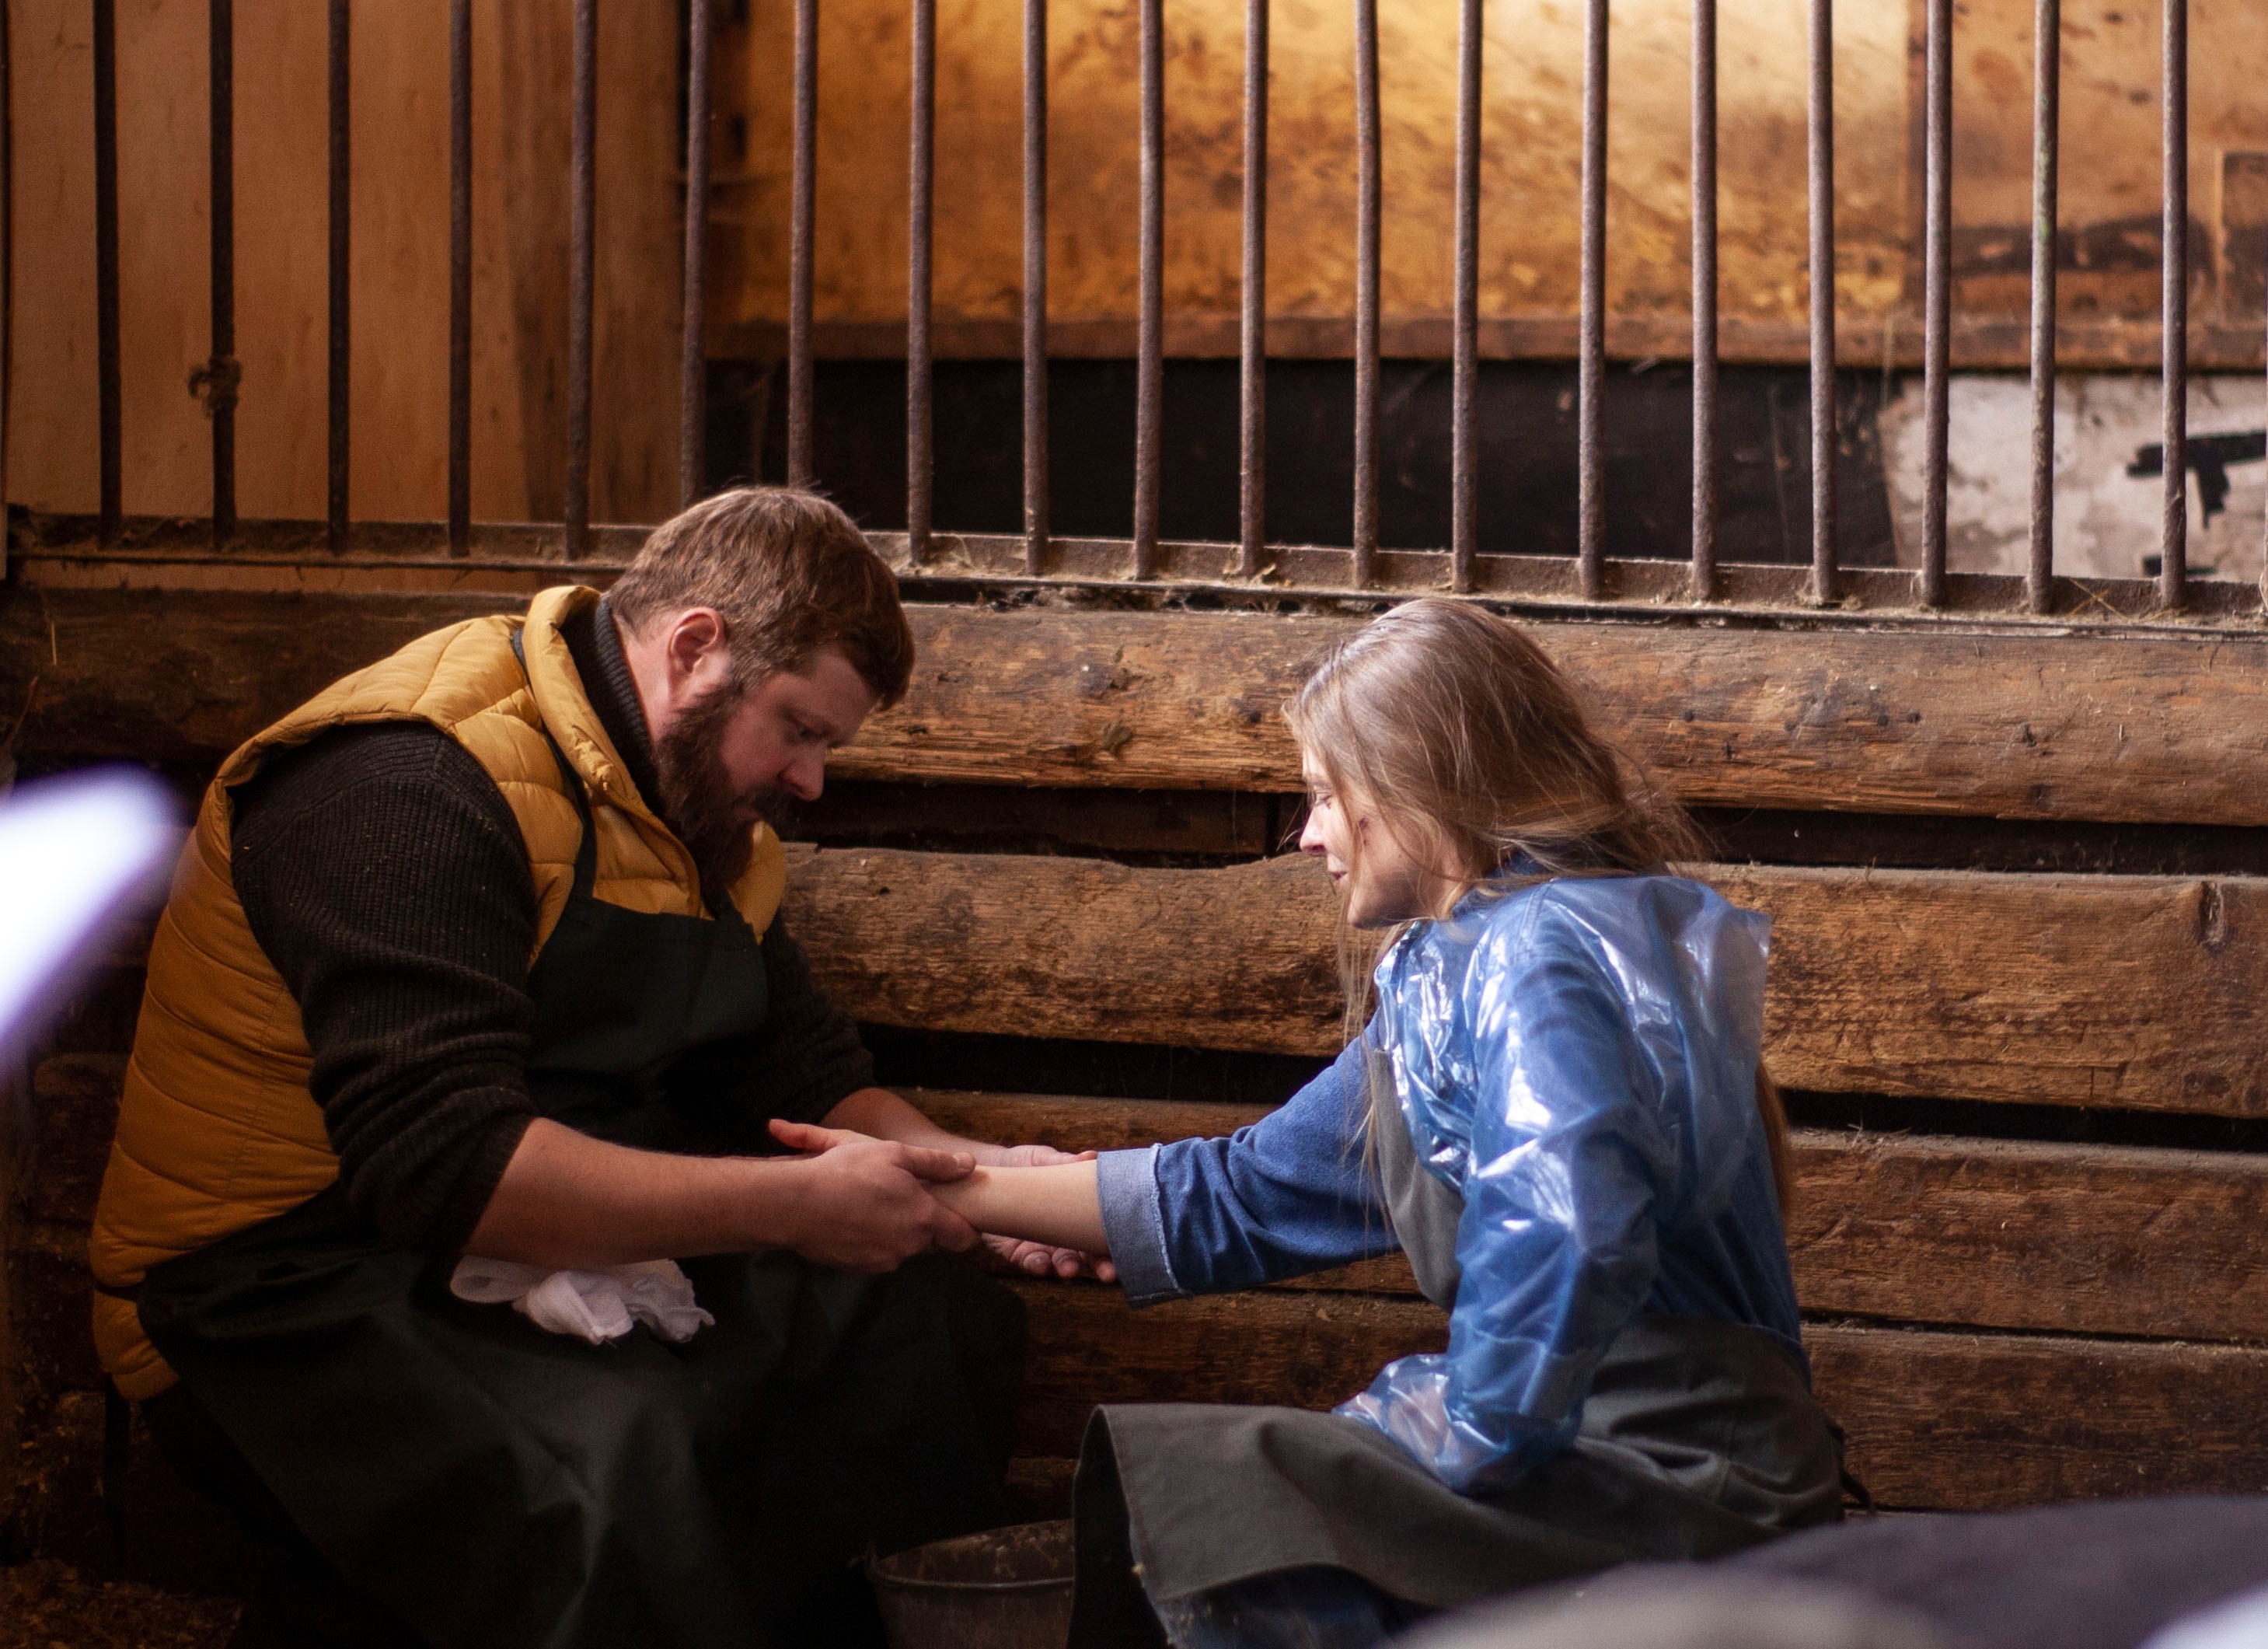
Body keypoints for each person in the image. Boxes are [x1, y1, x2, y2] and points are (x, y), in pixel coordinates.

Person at [86, 487, 1092, 1649]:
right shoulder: (411, 780)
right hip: (274, 1293)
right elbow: (445, 1169)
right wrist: (792, 1211)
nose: (811, 779)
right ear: (696, 646)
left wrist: (982, 1177)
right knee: (627, 1461)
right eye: (800, 729)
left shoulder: (699, 813)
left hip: (521, 1234)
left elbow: (798, 1071)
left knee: (923, 1321)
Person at [787, 598, 1847, 1647]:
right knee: (1249, 1485)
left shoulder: (1544, 950)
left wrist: (1467, 1429)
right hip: (1591, 1443)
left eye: (1323, 796)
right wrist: (940, 1186)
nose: (1308, 837)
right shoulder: (1453, 975)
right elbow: (1245, 1191)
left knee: (1240, 1491)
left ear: (1410, 782)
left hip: (1674, 1467)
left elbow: (1563, 1219)